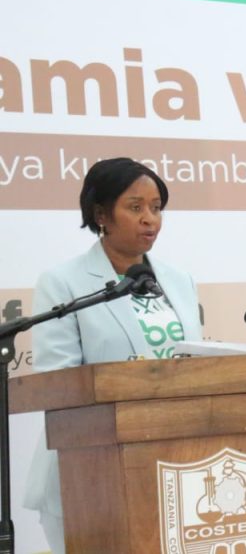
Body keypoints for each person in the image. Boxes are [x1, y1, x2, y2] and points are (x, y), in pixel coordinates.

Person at [22, 157, 202, 554]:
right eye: (135, 207)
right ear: (101, 214)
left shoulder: (179, 280)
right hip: (88, 472)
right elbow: (58, 381)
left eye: (156, 207)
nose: (150, 219)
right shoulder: (63, 282)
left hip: (173, 465)